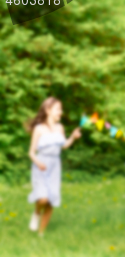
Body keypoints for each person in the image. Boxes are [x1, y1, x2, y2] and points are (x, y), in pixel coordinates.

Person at [27, 97, 81, 236]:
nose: (61, 112)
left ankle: (41, 234)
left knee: (51, 199)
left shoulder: (60, 128)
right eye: (58, 109)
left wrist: (73, 137)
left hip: (55, 165)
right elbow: (31, 153)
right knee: (43, 198)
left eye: (61, 109)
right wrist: (38, 163)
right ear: (48, 110)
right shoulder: (39, 129)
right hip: (41, 164)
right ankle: (36, 213)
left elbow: (63, 145)